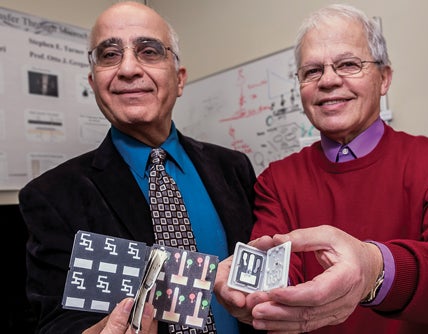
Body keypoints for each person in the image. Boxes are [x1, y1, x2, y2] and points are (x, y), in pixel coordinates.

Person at [214, 4, 428, 333]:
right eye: (312, 71)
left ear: (384, 78)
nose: (329, 80)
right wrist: (249, 290)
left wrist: (374, 268)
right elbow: (276, 271)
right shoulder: (276, 180)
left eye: (348, 64)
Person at [19, 2, 260, 333]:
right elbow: (55, 321)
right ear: (94, 82)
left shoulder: (234, 168)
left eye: (149, 51)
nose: (128, 68)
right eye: (109, 55)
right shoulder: (52, 196)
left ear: (179, 79)